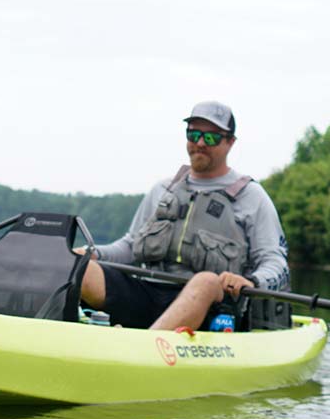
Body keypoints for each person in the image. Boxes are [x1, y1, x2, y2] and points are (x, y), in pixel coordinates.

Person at [80, 101, 289, 331]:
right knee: (80, 267)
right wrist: (91, 254)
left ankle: (147, 349)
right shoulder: (163, 189)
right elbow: (130, 247)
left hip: (213, 305)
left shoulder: (252, 197)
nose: (200, 143)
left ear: (230, 142)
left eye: (211, 138)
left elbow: (276, 263)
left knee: (206, 281)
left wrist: (253, 281)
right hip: (147, 293)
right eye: (193, 134)